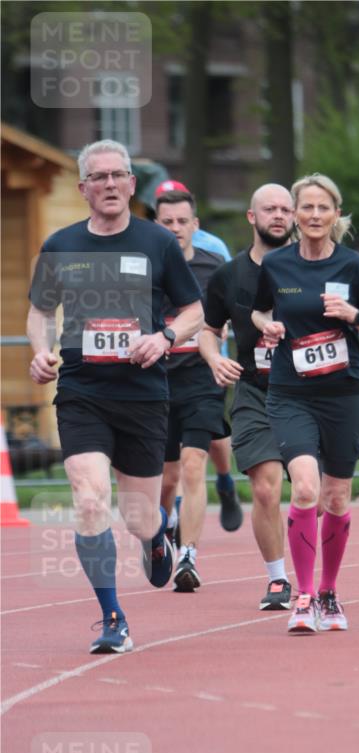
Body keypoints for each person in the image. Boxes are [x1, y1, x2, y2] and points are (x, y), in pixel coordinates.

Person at [27, 139, 203, 653]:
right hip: (82, 391)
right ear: (83, 188)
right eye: (98, 177)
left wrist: (164, 337)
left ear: (131, 184)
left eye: (117, 175)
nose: (109, 184)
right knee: (89, 501)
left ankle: (156, 534)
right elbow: (40, 311)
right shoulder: (60, 245)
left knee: (138, 517)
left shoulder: (158, 242)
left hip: (142, 395)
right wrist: (40, 352)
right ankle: (113, 618)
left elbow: (194, 312)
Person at [251, 173, 359, 634]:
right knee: (305, 489)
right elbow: (259, 309)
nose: (314, 215)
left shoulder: (355, 267)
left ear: (336, 215)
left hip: (344, 396)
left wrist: (354, 316)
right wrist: (268, 325)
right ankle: (305, 595)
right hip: (291, 394)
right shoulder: (276, 264)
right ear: (295, 214)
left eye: (323, 208)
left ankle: (330, 593)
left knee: (336, 496)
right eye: (307, 207)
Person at [199, 183, 295, 611]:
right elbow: (208, 330)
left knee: (319, 496)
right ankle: (278, 579)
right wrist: (214, 359)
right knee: (265, 489)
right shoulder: (228, 275)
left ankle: (319, 577)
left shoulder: (312, 267)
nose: (279, 215)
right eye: (269, 209)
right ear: (252, 218)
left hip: (311, 393)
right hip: (256, 391)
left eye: (285, 209)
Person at [155, 188, 241, 591]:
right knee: (166, 477)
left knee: (193, 464)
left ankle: (188, 556)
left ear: (195, 225)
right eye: (167, 222)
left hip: (202, 378)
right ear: (157, 226)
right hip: (156, 381)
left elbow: (239, 309)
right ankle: (163, 529)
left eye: (181, 221)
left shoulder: (214, 265)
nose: (175, 228)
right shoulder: (144, 269)